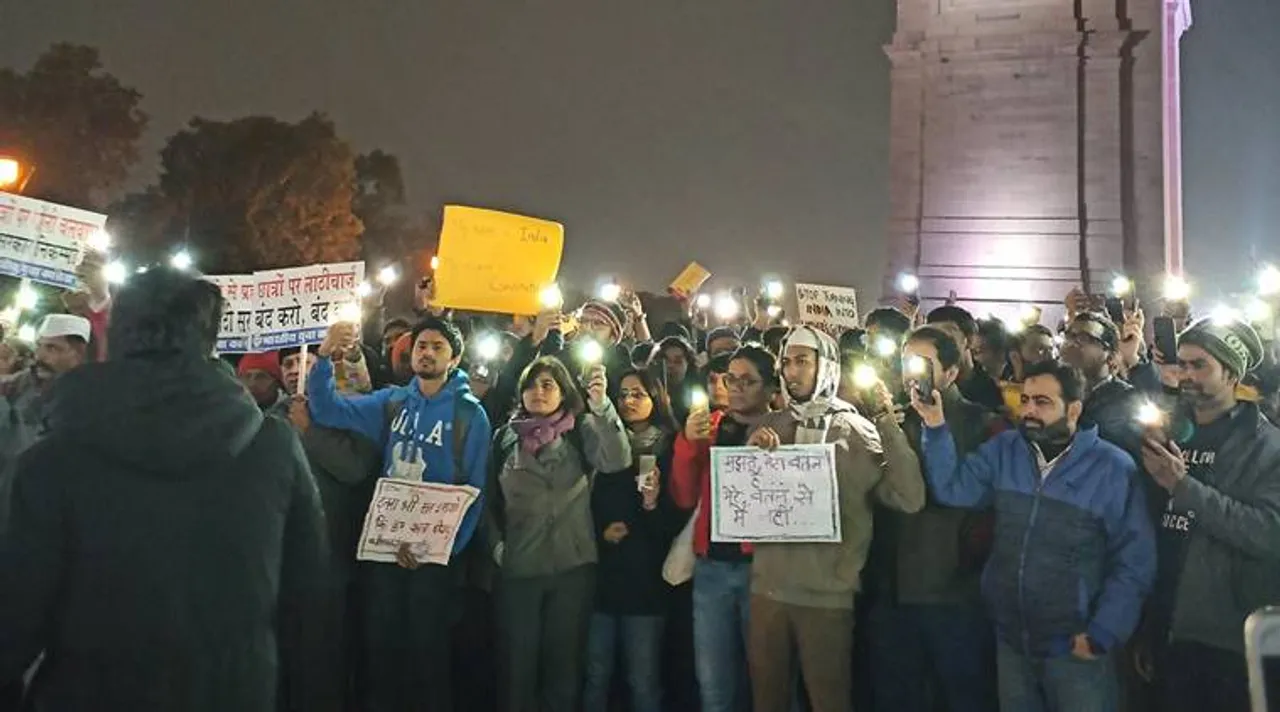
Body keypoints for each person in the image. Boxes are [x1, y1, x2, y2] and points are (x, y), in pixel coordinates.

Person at [0, 266, 330, 712]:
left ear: (116, 335)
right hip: (232, 691)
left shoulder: (52, 458)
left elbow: (17, 610)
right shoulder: (274, 448)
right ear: (210, 340)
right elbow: (308, 606)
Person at [912, 360, 1155, 712]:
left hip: (1077, 645)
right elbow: (955, 490)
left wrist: (1104, 632)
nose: (1028, 410)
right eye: (1024, 400)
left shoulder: (1112, 468)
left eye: (1042, 402)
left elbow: (1135, 559)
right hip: (1012, 638)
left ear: (1074, 408)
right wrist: (935, 428)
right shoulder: (1006, 450)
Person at [306, 316, 492, 712]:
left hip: (434, 558)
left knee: (427, 656)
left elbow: (476, 490)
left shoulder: (471, 415)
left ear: (455, 358)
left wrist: (442, 549)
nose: (426, 353)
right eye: (421, 346)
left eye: (437, 347)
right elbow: (326, 410)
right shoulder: (391, 402)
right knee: (382, 649)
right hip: (387, 551)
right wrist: (324, 357)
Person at [745, 326, 925, 712]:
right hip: (767, 593)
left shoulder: (856, 431)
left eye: (803, 361)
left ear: (826, 366)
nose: (792, 372)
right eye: (787, 362)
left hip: (827, 598)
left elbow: (909, 498)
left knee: (829, 699)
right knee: (767, 699)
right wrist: (756, 463)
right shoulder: (770, 428)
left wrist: (886, 422)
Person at [1136, 317, 1280, 712]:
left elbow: (1268, 533)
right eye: (1181, 364)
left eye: (1200, 365)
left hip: (1222, 634)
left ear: (1231, 372)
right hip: (1162, 615)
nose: (1186, 375)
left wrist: (1183, 488)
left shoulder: (1266, 447)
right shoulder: (1165, 431)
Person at [484, 356, 632, 712]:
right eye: (531, 385)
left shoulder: (580, 432)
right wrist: (498, 548)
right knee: (518, 667)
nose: (538, 392)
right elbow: (487, 499)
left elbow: (617, 459)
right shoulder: (505, 438)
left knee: (563, 667)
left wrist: (602, 407)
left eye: (548, 385)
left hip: (571, 567)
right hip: (521, 568)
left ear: (564, 392)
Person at [866, 325, 1002, 712]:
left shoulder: (981, 424)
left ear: (951, 372)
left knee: (960, 694)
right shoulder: (891, 416)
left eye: (923, 363)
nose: (911, 372)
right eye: (906, 361)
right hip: (892, 589)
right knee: (897, 694)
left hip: (952, 590)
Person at [669, 344, 775, 712]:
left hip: (763, 572)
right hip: (711, 569)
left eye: (749, 380)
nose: (737, 387)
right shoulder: (710, 427)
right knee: (714, 685)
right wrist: (687, 444)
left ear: (769, 387)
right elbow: (683, 496)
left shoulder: (785, 427)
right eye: (732, 379)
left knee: (768, 682)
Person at [583, 368, 683, 712]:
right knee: (596, 674)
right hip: (603, 581)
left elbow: (675, 522)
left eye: (637, 394)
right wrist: (600, 533)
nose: (627, 401)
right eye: (622, 394)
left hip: (646, 584)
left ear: (655, 398)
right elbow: (583, 504)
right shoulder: (599, 441)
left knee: (644, 681)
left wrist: (653, 505)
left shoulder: (670, 446)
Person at [0, 314, 91, 531]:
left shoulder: (90, 399)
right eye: (39, 346)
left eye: (52, 348)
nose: (39, 356)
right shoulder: (26, 382)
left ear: (78, 353)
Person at [927, 305, 1004, 412]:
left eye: (946, 335)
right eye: (931, 336)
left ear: (969, 340)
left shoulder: (988, 391)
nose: (938, 343)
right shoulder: (925, 385)